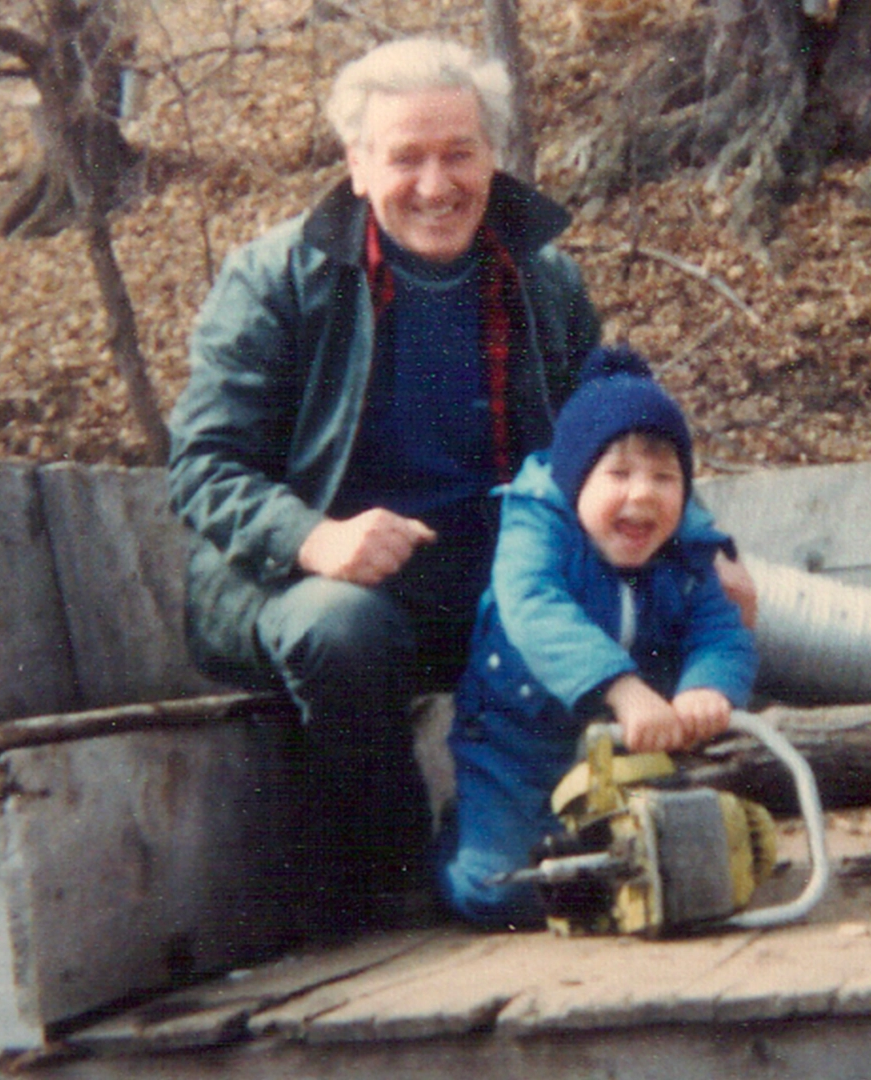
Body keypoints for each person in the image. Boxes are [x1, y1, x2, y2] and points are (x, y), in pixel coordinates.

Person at [165, 37, 603, 907]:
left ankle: (585, 837)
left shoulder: (544, 277)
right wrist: (315, 538)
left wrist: (702, 548)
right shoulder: (274, 278)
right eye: (406, 158)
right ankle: (390, 880)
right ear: (357, 166)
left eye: (459, 153)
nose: (436, 186)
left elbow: (614, 440)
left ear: (495, 156)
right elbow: (204, 465)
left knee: (644, 596)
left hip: (485, 577)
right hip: (300, 580)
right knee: (342, 628)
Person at [440, 347, 759, 929]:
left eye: (665, 478)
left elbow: (721, 630)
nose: (642, 495)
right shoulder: (536, 524)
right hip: (517, 743)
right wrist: (622, 687)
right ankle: (458, 833)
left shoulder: (686, 552)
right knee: (494, 891)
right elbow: (533, 607)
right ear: (575, 480)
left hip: (629, 748)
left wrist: (707, 687)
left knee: (665, 861)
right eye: (618, 474)